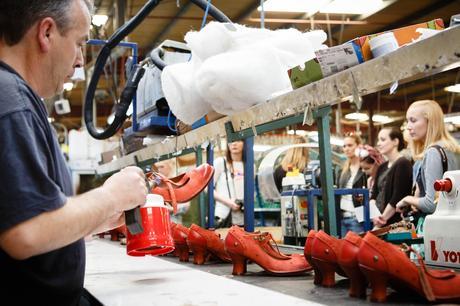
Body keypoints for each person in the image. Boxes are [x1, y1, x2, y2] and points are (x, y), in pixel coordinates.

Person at [0, 1, 148, 305]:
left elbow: (27, 212)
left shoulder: (17, 97)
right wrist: (112, 197)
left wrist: (99, 218)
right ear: (47, 33)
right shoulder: (12, 102)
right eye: (79, 43)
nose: (80, 60)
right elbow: (24, 233)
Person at [396, 100, 460, 223]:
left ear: (430, 121)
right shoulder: (453, 148)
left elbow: (432, 204)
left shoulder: (433, 152)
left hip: (437, 226)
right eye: (408, 121)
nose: (408, 127)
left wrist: (407, 199)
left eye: (413, 120)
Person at [371, 127, 413, 228]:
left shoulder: (403, 163)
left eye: (383, 139)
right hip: (378, 220)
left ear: (395, 141)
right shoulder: (381, 167)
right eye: (378, 140)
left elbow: (398, 196)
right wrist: (374, 215)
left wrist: (382, 219)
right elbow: (374, 194)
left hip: (394, 224)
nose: (379, 143)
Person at [337, 133, 367, 236]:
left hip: (357, 218)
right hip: (342, 218)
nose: (346, 149)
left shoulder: (365, 169)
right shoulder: (342, 170)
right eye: (344, 146)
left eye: (350, 145)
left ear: (359, 146)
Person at [213, 140, 245, 227]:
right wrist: (228, 202)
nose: (234, 143)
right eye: (231, 141)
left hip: (243, 218)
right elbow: (207, 188)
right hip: (222, 216)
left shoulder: (249, 165)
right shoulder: (220, 162)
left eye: (238, 140)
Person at [154, 159, 190, 223]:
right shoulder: (157, 179)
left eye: (162, 167)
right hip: (158, 220)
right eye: (158, 167)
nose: (159, 170)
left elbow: (186, 205)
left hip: (174, 221)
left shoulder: (178, 179)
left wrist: (171, 209)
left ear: (169, 165)